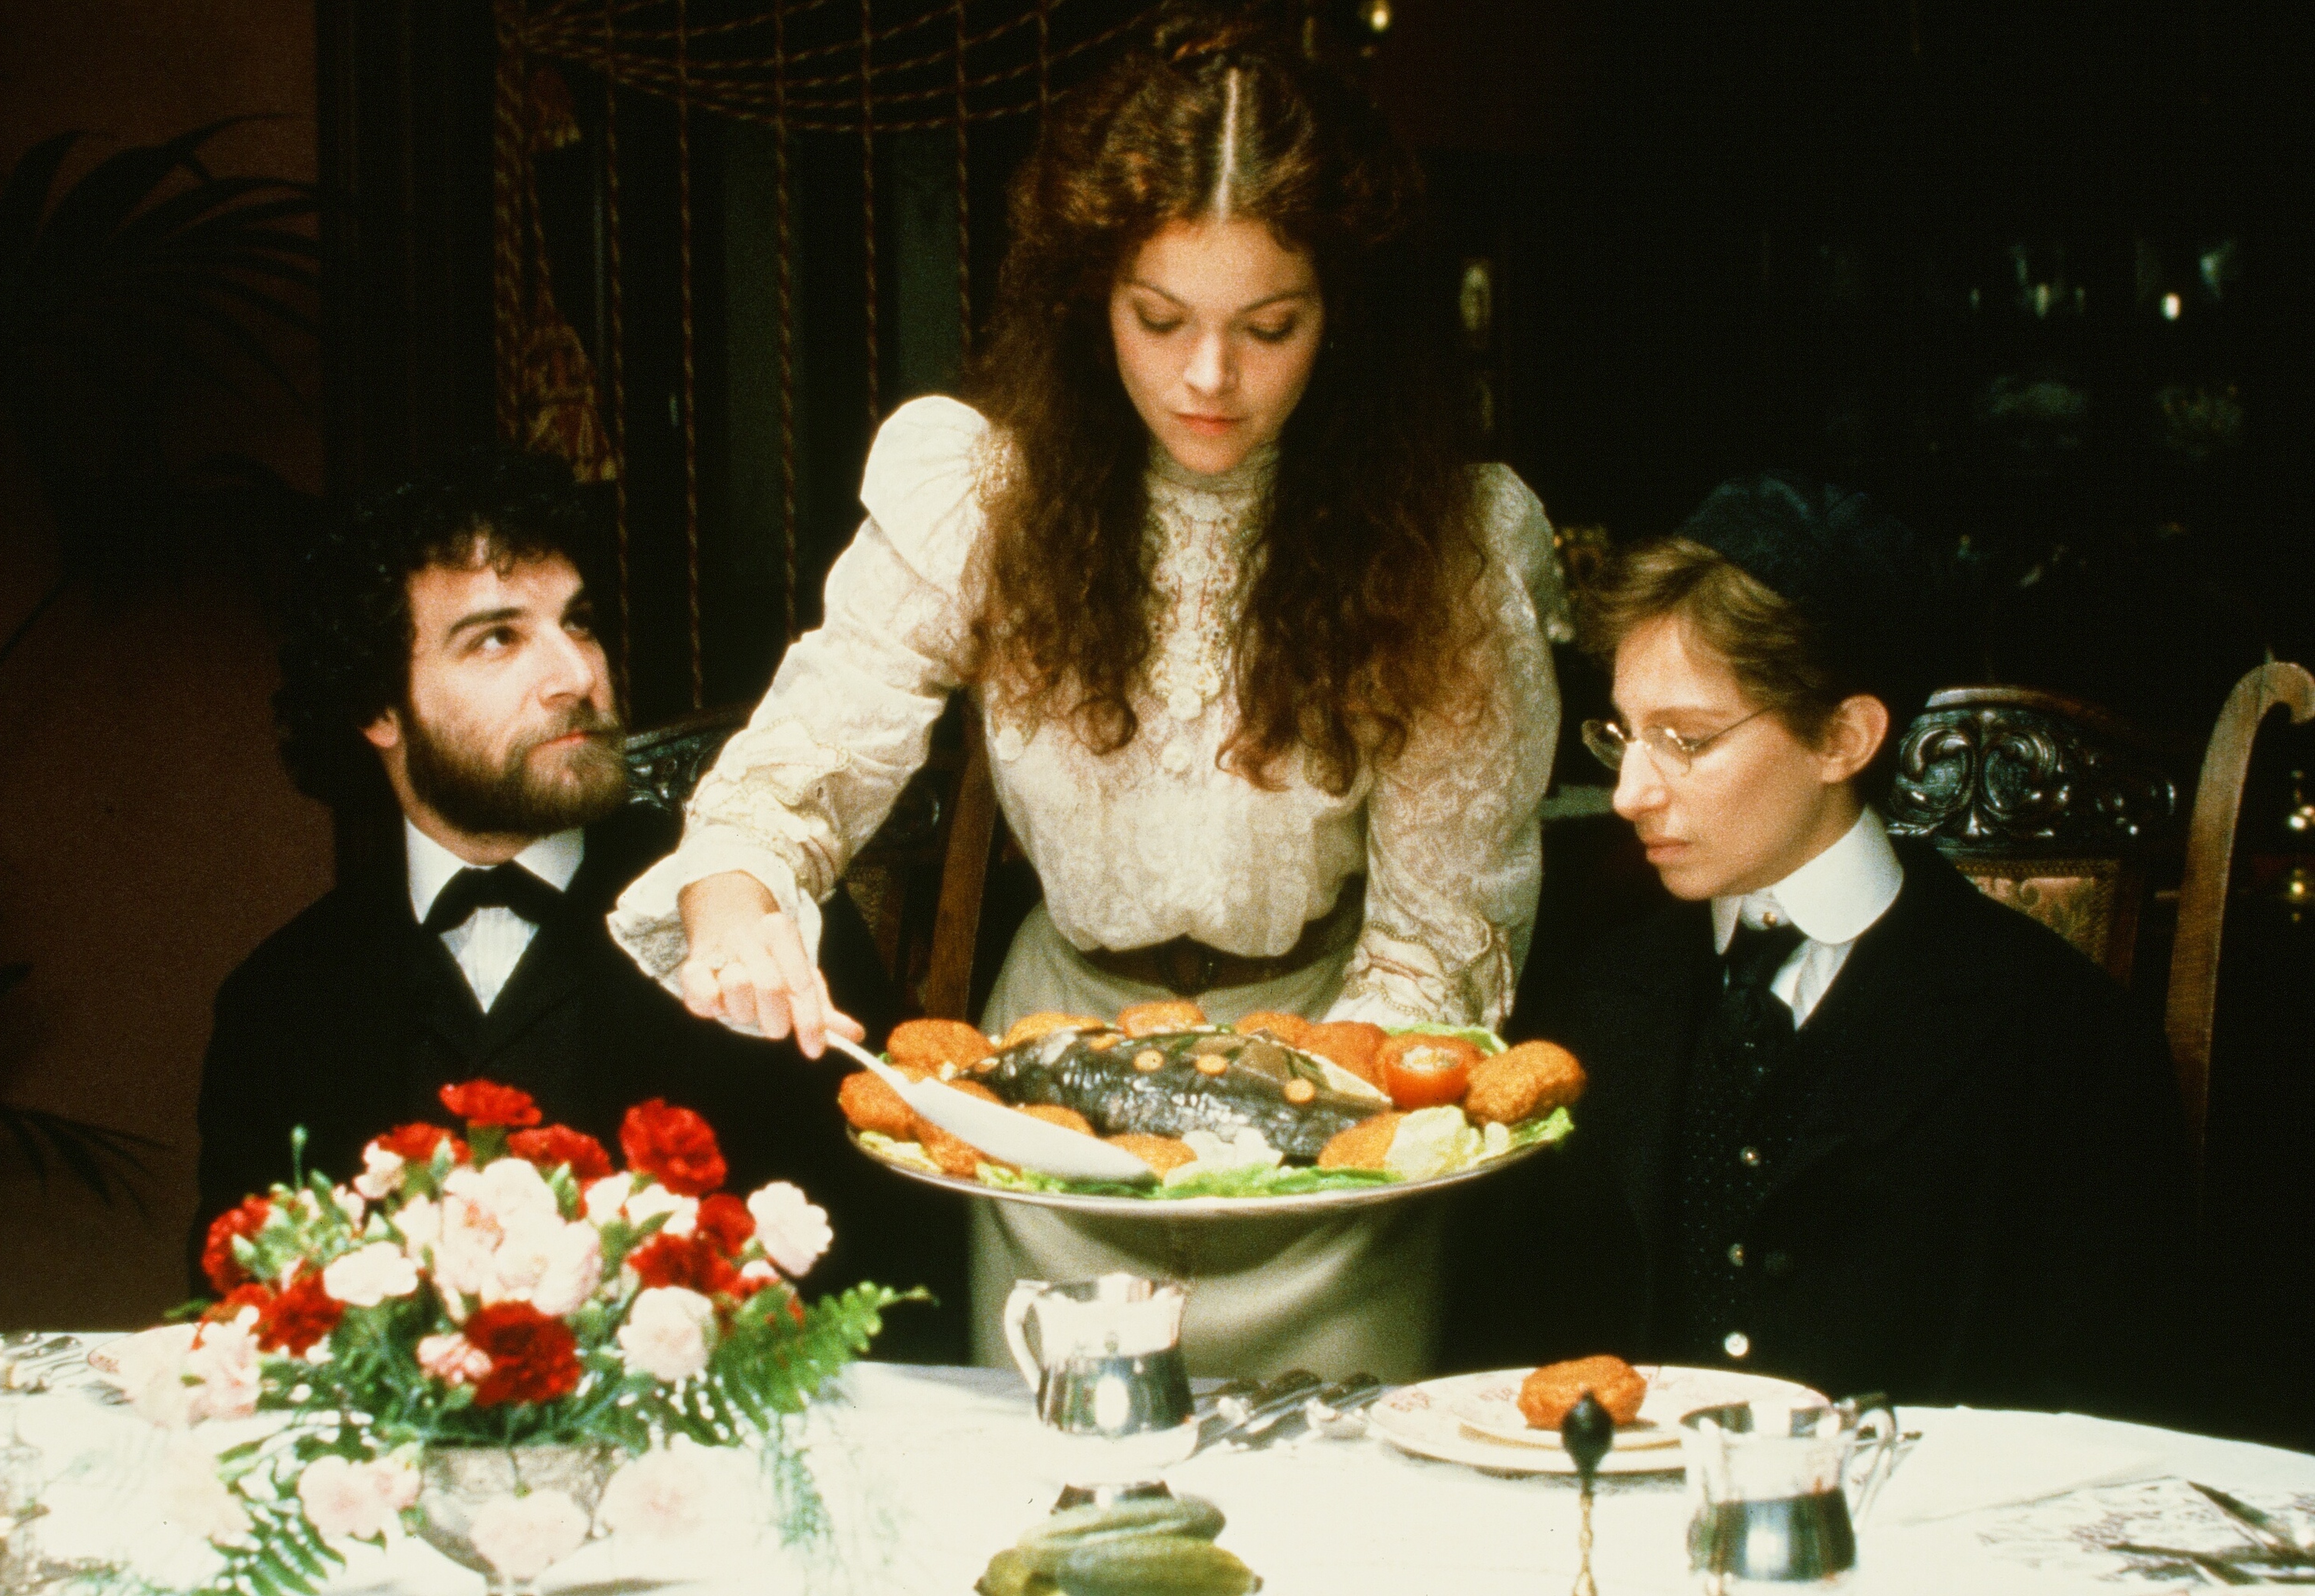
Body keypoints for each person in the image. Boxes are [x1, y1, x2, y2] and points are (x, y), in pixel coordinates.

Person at [608, 4, 1567, 1378]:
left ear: (1339, 317)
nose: (1207, 376)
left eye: (1270, 326)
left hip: (1331, 1106)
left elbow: (1437, 941)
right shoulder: (981, 495)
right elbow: (798, 769)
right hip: (1045, 1113)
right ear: (1086, 296)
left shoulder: (1446, 548)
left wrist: (1287, 1131)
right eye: (1157, 316)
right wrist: (737, 899)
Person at [1449, 472, 2188, 1417]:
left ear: (1843, 737)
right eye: (1623, 735)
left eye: (1685, 740)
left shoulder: (2063, 1035)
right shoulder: (1593, 999)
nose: (1631, 790)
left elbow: (2108, 1405)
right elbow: (1507, 1353)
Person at [189, 453, 953, 1343]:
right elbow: (247, 1333)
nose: (576, 675)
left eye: (578, 624)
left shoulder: (748, 913)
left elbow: (898, 1296)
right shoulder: (278, 1000)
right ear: (377, 707)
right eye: (497, 639)